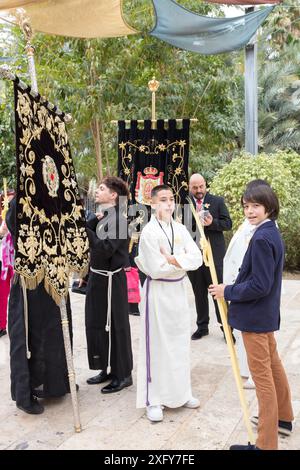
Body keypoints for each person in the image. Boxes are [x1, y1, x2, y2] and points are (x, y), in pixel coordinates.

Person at [209, 183, 294, 450]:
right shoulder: (270, 232)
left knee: (262, 380)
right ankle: (284, 418)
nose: (249, 211)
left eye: (255, 205)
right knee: (274, 366)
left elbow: (260, 285)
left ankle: (265, 445)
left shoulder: (261, 238)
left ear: (268, 206)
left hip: (256, 318)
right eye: (246, 206)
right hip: (263, 316)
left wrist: (227, 290)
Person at [135, 184, 203, 422]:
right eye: (163, 200)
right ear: (153, 204)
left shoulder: (181, 228)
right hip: (158, 292)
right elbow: (156, 267)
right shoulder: (149, 233)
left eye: (171, 199)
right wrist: (180, 263)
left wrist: (174, 259)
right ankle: (154, 399)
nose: (168, 204)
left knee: (179, 343)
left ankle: (181, 393)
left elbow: (197, 257)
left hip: (178, 293)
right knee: (157, 345)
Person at [6, 197, 73, 414]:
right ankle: (26, 393)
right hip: (30, 279)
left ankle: (58, 382)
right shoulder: (20, 200)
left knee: (56, 332)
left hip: (55, 276)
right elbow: (15, 227)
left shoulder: (56, 197)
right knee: (30, 336)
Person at [85, 176, 133, 393]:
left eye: (101, 188)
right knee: (97, 323)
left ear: (113, 195)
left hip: (114, 279)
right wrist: (92, 223)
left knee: (116, 325)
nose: (97, 191)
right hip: (98, 277)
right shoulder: (104, 216)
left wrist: (87, 231)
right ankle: (105, 366)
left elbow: (105, 248)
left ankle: (123, 374)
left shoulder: (120, 220)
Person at [185, 173, 232, 340]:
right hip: (193, 257)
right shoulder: (184, 203)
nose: (198, 190)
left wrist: (212, 223)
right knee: (198, 293)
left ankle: (226, 329)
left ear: (205, 185)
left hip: (214, 257)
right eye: (195, 187)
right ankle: (202, 327)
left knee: (218, 293)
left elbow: (228, 224)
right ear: (189, 187)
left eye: (201, 186)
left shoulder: (217, 201)